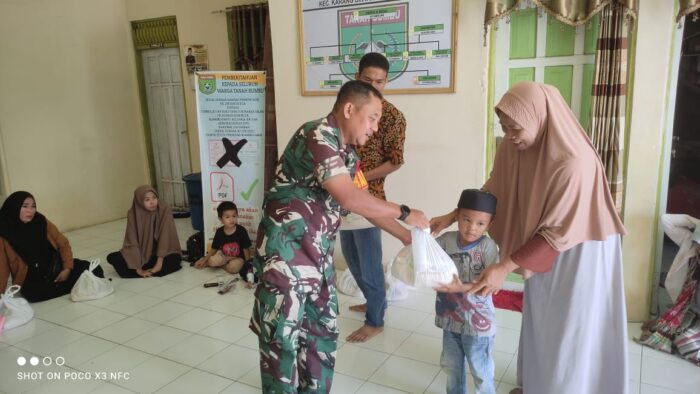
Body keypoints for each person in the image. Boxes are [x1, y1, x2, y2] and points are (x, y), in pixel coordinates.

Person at [431, 82, 628, 394]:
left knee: (570, 325)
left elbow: (557, 234)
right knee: (541, 318)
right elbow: (493, 191)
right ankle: (538, 384)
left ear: (540, 118)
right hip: (540, 246)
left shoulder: (575, 162)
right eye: (504, 126)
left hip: (580, 252)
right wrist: (453, 215)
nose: (509, 134)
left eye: (515, 127)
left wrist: (504, 266)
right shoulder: (515, 147)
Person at [249, 80, 429, 393]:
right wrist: (404, 211)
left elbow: (365, 205)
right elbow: (349, 199)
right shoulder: (317, 134)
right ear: (349, 109)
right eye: (372, 118)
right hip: (286, 262)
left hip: (317, 263)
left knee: (321, 338)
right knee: (283, 343)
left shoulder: (347, 156)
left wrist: (406, 237)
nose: (374, 128)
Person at [340, 52, 408, 343]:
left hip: (369, 198)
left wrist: (361, 180)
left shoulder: (392, 117)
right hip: (343, 195)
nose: (374, 85)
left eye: (379, 81)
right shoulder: (349, 107)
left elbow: (396, 161)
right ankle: (372, 301)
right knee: (353, 260)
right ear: (357, 77)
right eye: (368, 80)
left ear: (386, 82)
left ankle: (375, 321)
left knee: (369, 264)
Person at [433, 189, 499, 394]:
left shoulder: (488, 247)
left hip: (478, 323)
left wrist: (459, 287)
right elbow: (427, 257)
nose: (471, 228)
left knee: (480, 369)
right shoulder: (445, 240)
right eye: (466, 219)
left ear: (490, 224)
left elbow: (488, 284)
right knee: (451, 367)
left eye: (480, 223)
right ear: (457, 216)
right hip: (450, 318)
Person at [0, 191, 104, 302]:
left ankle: (64, 285)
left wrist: (67, 268)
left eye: (33, 206)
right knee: (33, 294)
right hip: (31, 278)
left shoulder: (41, 221)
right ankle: (73, 285)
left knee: (96, 269)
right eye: (25, 206)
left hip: (55, 267)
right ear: (13, 208)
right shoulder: (4, 232)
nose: (30, 211)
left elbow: (63, 243)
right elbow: (2, 267)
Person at [636, 214, 700, 364]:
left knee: (685, 342)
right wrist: (697, 223)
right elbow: (666, 220)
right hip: (689, 312)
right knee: (674, 335)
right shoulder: (688, 241)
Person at [107, 185, 182, 278]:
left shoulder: (164, 209)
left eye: (154, 198)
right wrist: (138, 269)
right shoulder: (133, 214)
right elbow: (132, 240)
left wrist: (159, 264)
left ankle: (151, 270)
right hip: (141, 253)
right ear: (139, 201)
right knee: (113, 257)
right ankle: (142, 270)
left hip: (160, 253)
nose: (152, 202)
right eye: (147, 200)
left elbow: (165, 237)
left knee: (175, 258)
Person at [194, 201, 252, 273]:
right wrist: (204, 260)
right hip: (223, 256)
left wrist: (248, 266)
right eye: (227, 217)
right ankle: (212, 263)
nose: (231, 219)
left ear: (237, 215)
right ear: (221, 219)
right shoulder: (219, 232)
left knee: (234, 268)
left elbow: (246, 249)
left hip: (237, 258)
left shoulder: (241, 231)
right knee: (212, 261)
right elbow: (214, 249)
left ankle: (220, 266)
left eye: (234, 216)